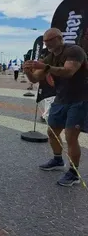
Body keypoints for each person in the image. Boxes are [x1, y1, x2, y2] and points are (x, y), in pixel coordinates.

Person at [24, 28, 88, 187]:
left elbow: (68, 71)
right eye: (45, 42)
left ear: (60, 38)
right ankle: (58, 160)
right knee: (52, 132)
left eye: (50, 40)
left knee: (71, 136)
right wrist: (27, 71)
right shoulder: (49, 58)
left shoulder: (74, 51)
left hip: (80, 98)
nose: (47, 44)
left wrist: (44, 67)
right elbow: (36, 78)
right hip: (61, 99)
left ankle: (74, 173)